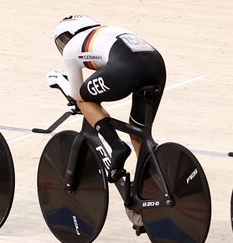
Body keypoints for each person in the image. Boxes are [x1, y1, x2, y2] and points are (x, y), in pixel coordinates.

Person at [50, 15, 166, 177]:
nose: (64, 45)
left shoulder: (71, 49)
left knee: (84, 99)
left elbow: (77, 95)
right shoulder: (109, 30)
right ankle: (152, 181)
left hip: (126, 69)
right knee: (138, 132)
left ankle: (117, 147)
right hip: (156, 66)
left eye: (63, 40)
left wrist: (60, 81)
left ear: (71, 34)